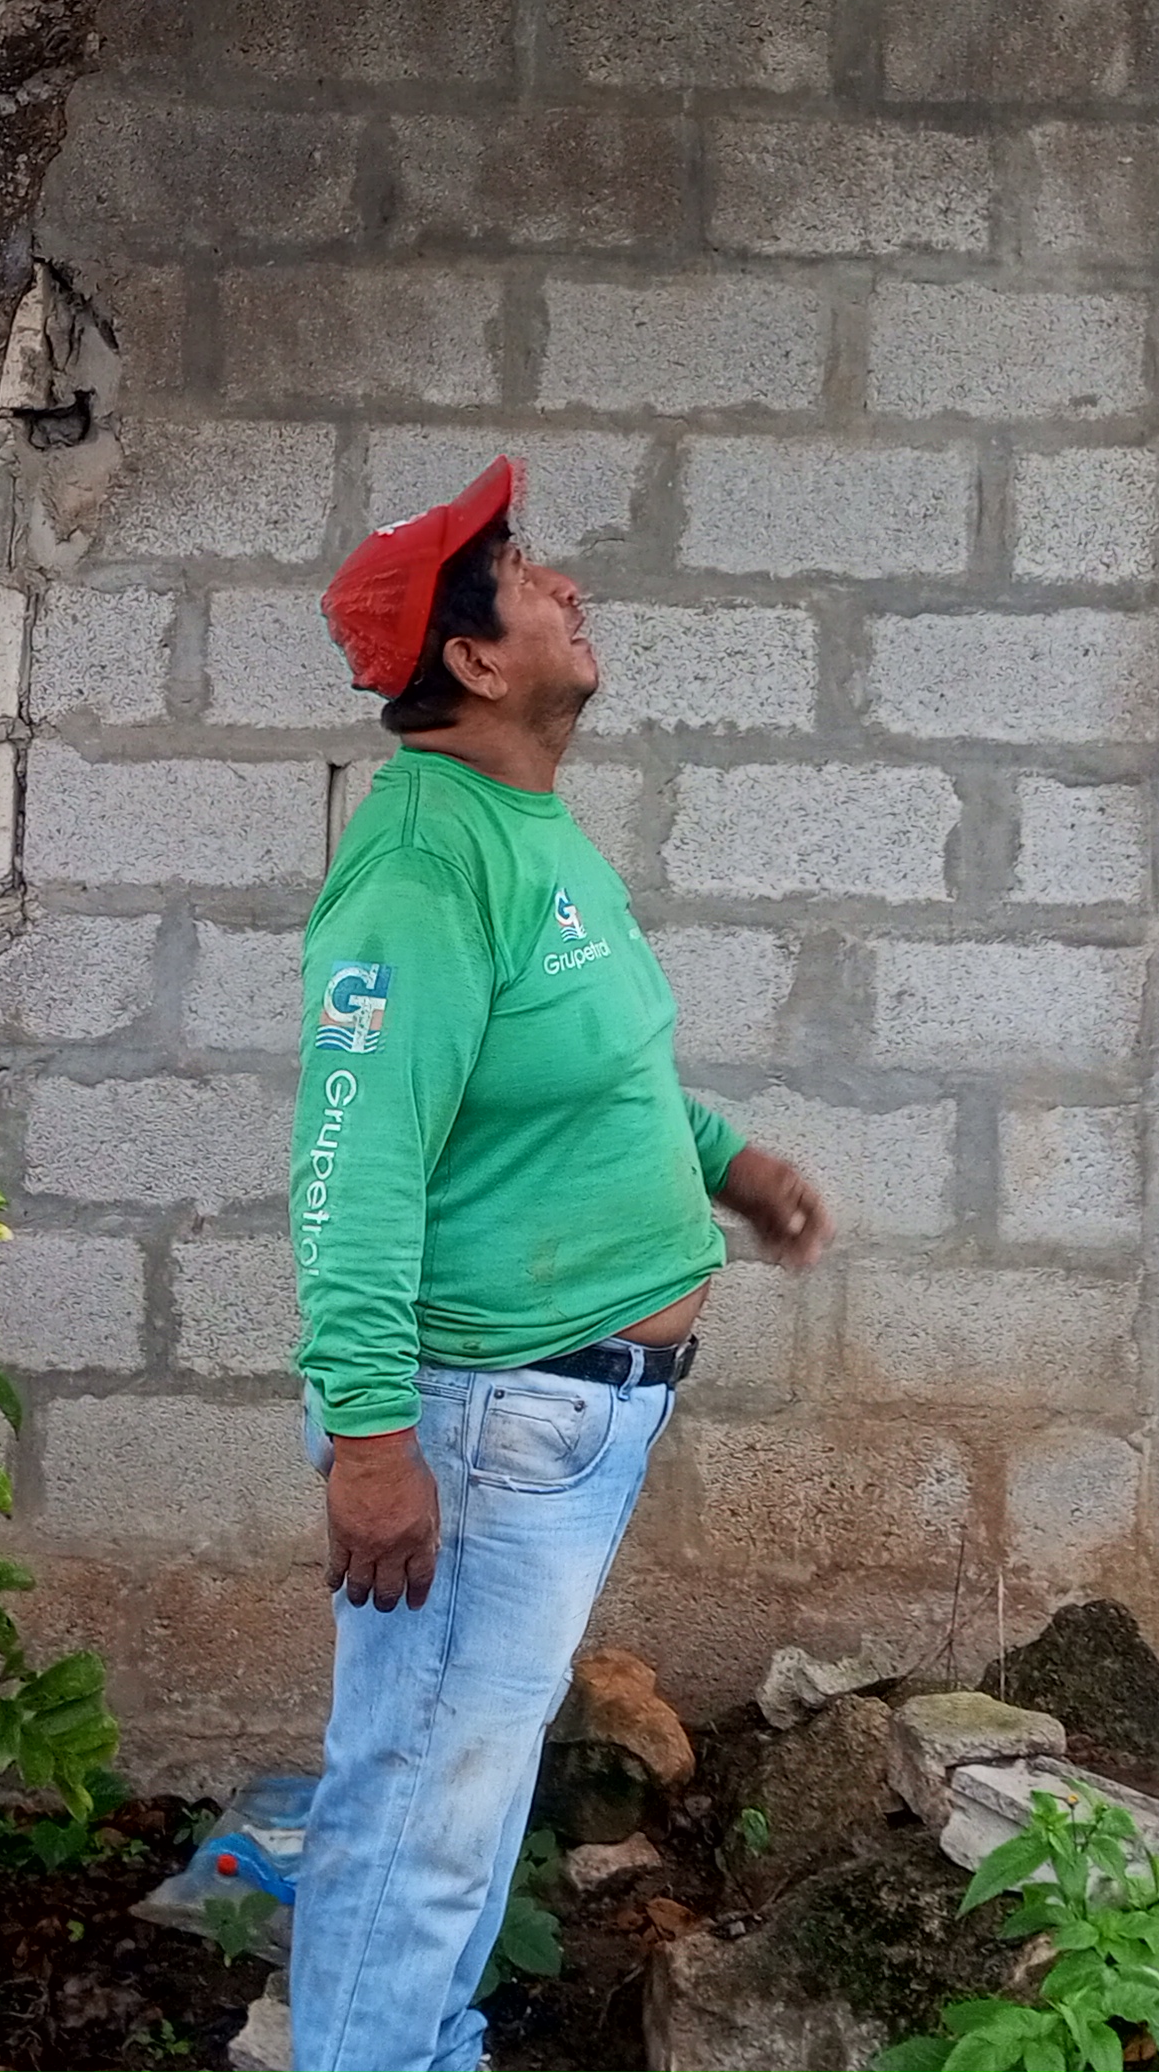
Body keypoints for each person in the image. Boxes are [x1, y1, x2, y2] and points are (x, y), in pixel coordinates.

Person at [283, 455, 834, 2072]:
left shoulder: (527, 830)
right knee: (421, 1804)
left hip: (559, 1410)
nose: (568, 586)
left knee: (460, 1790)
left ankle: (418, 2048)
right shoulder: (422, 867)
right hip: (479, 1418)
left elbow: (587, 1064)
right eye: (529, 577)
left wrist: (725, 1161)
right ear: (472, 658)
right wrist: (371, 1439)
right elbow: (353, 1167)